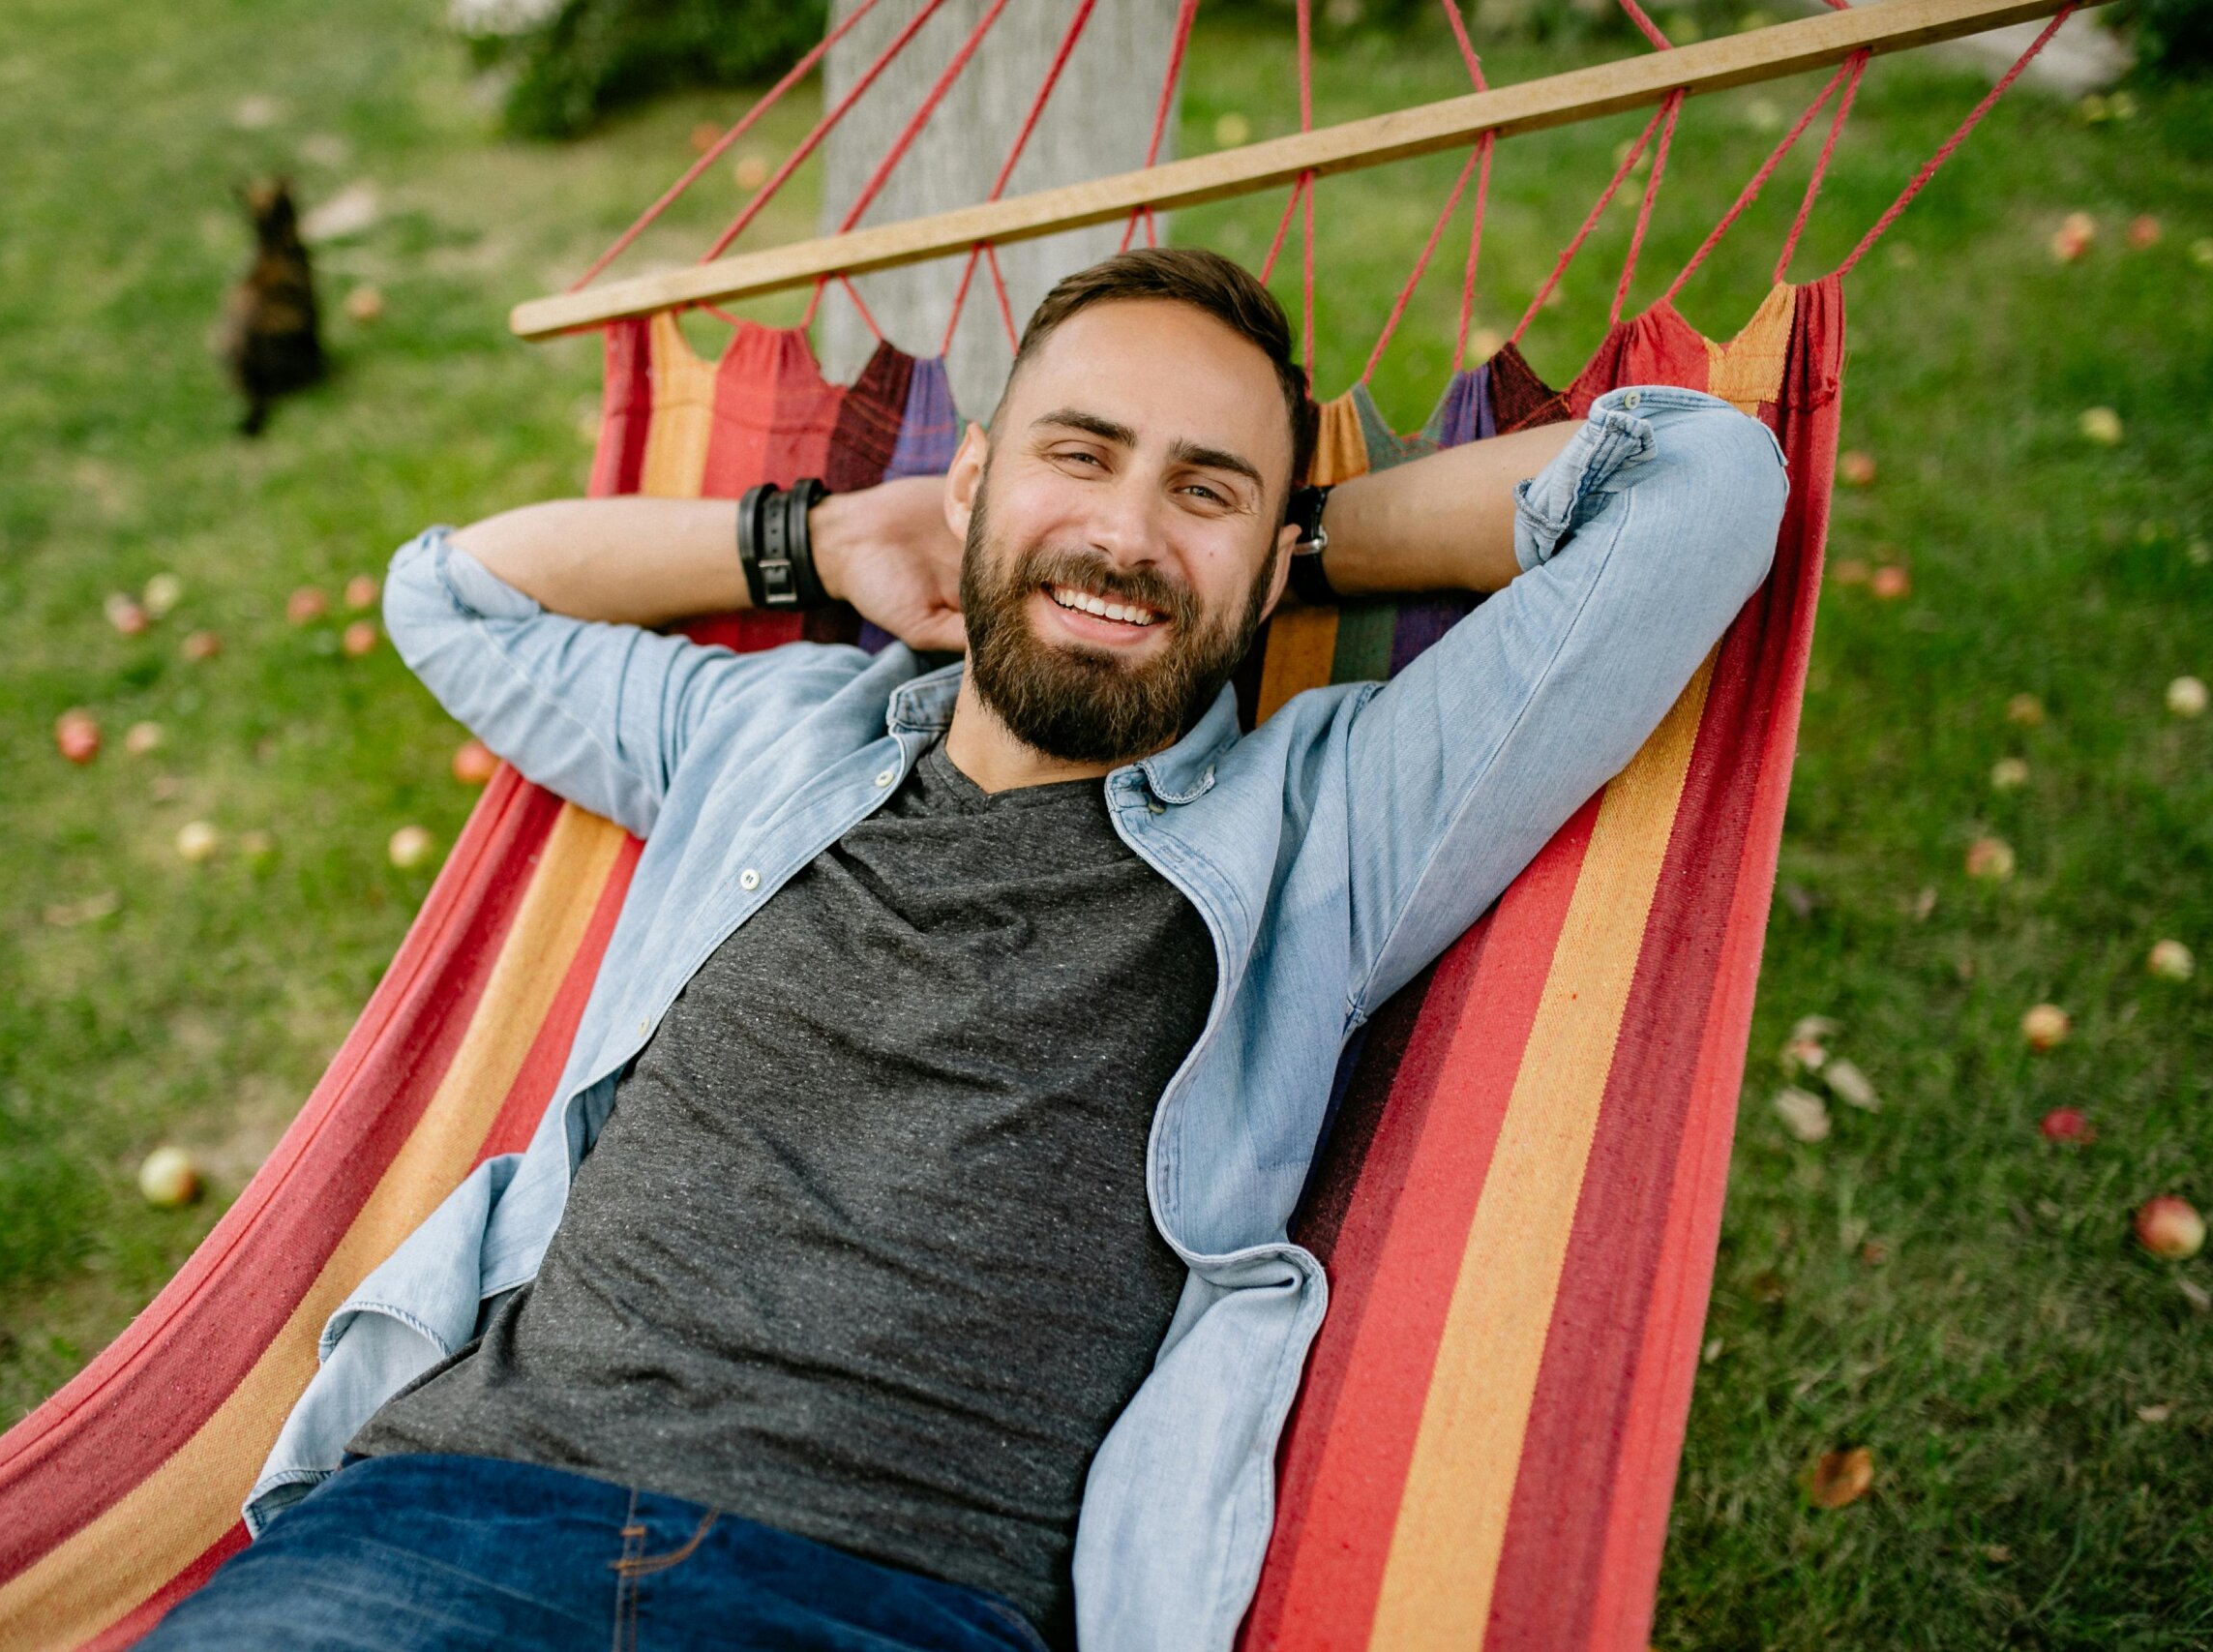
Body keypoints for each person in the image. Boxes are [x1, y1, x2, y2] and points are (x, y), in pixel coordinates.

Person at [141, 247, 1787, 1652]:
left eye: (1204, 487)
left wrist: (1284, 547)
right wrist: (823, 537)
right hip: (454, 1530)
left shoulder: (1330, 823)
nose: (1130, 533)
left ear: (1283, 545)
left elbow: (1698, 483)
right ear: (978, 478)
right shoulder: (767, 739)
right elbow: (451, 597)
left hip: (897, 1608)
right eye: (1083, 456)